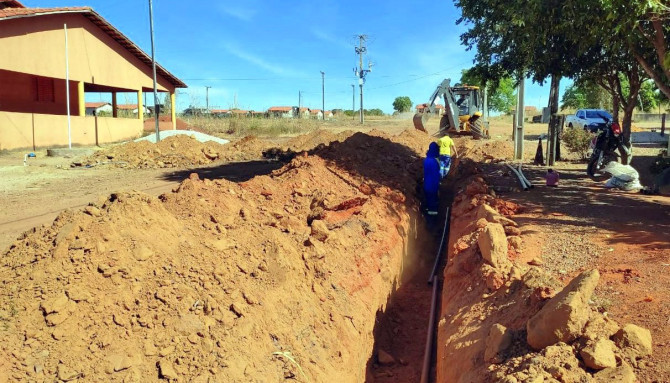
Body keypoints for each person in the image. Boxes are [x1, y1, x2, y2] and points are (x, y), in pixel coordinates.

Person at [423, 142, 441, 224]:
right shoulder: (435, 161)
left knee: (428, 199)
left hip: (426, 183)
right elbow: (437, 173)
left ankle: (427, 214)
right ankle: (433, 220)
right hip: (434, 184)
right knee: (433, 200)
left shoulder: (426, 160)